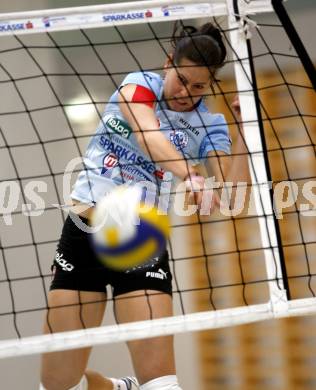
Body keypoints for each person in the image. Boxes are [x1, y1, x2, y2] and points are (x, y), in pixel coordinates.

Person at [40, 22, 247, 390]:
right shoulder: (138, 85)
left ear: (212, 83)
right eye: (181, 79)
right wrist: (191, 175)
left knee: (163, 384)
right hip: (84, 233)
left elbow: (229, 195)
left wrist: (246, 132)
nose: (186, 92)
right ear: (168, 63)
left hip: (140, 244)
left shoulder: (210, 124)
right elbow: (149, 136)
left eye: (199, 86)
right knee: (57, 385)